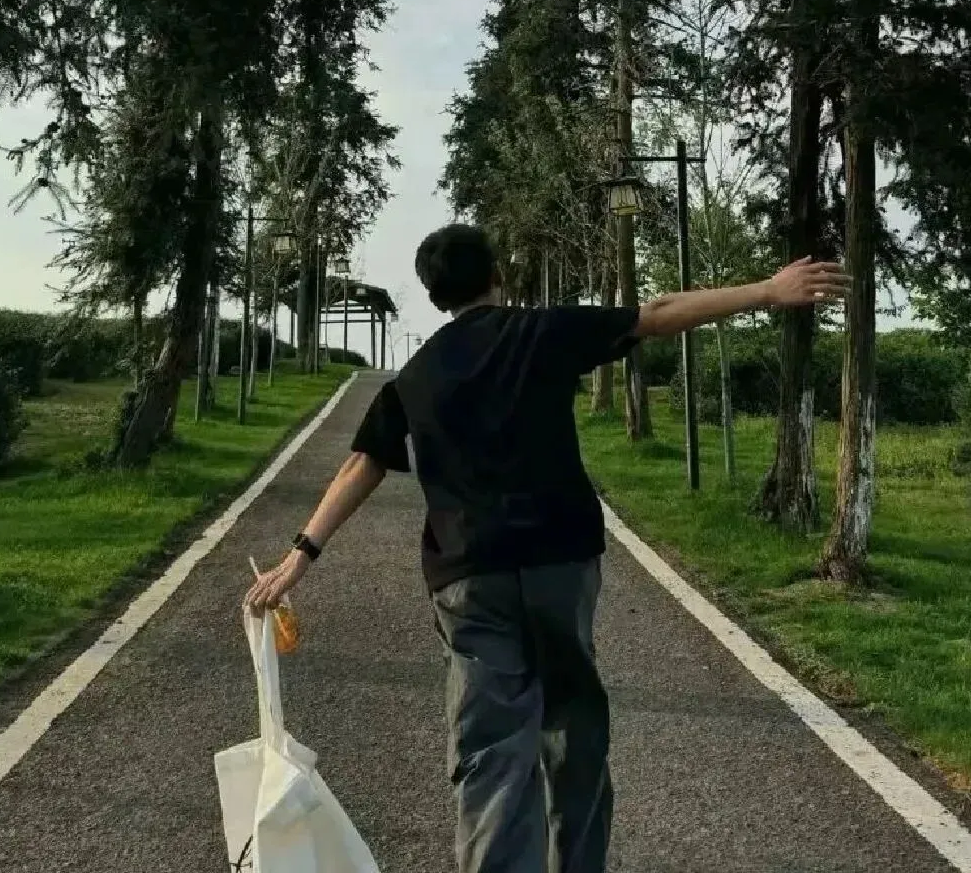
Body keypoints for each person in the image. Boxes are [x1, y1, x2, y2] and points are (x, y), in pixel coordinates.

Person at [247, 224, 849, 873]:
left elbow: (362, 464)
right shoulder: (540, 331)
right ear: (497, 275)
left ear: (434, 295)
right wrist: (768, 290)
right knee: (574, 729)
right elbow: (657, 313)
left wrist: (300, 555)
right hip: (560, 563)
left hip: (469, 578)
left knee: (490, 754)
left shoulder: (416, 377)